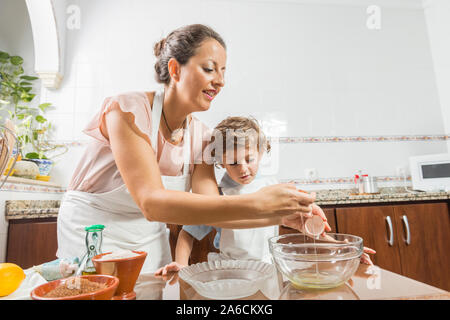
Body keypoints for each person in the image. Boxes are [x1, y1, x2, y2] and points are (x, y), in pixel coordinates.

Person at [56, 24, 327, 273]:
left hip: (148, 240)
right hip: (92, 234)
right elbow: (151, 203)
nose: (220, 81)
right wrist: (259, 202)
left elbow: (215, 210)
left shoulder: (202, 138)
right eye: (210, 69)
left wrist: (279, 215)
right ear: (175, 70)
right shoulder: (127, 110)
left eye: (223, 71)